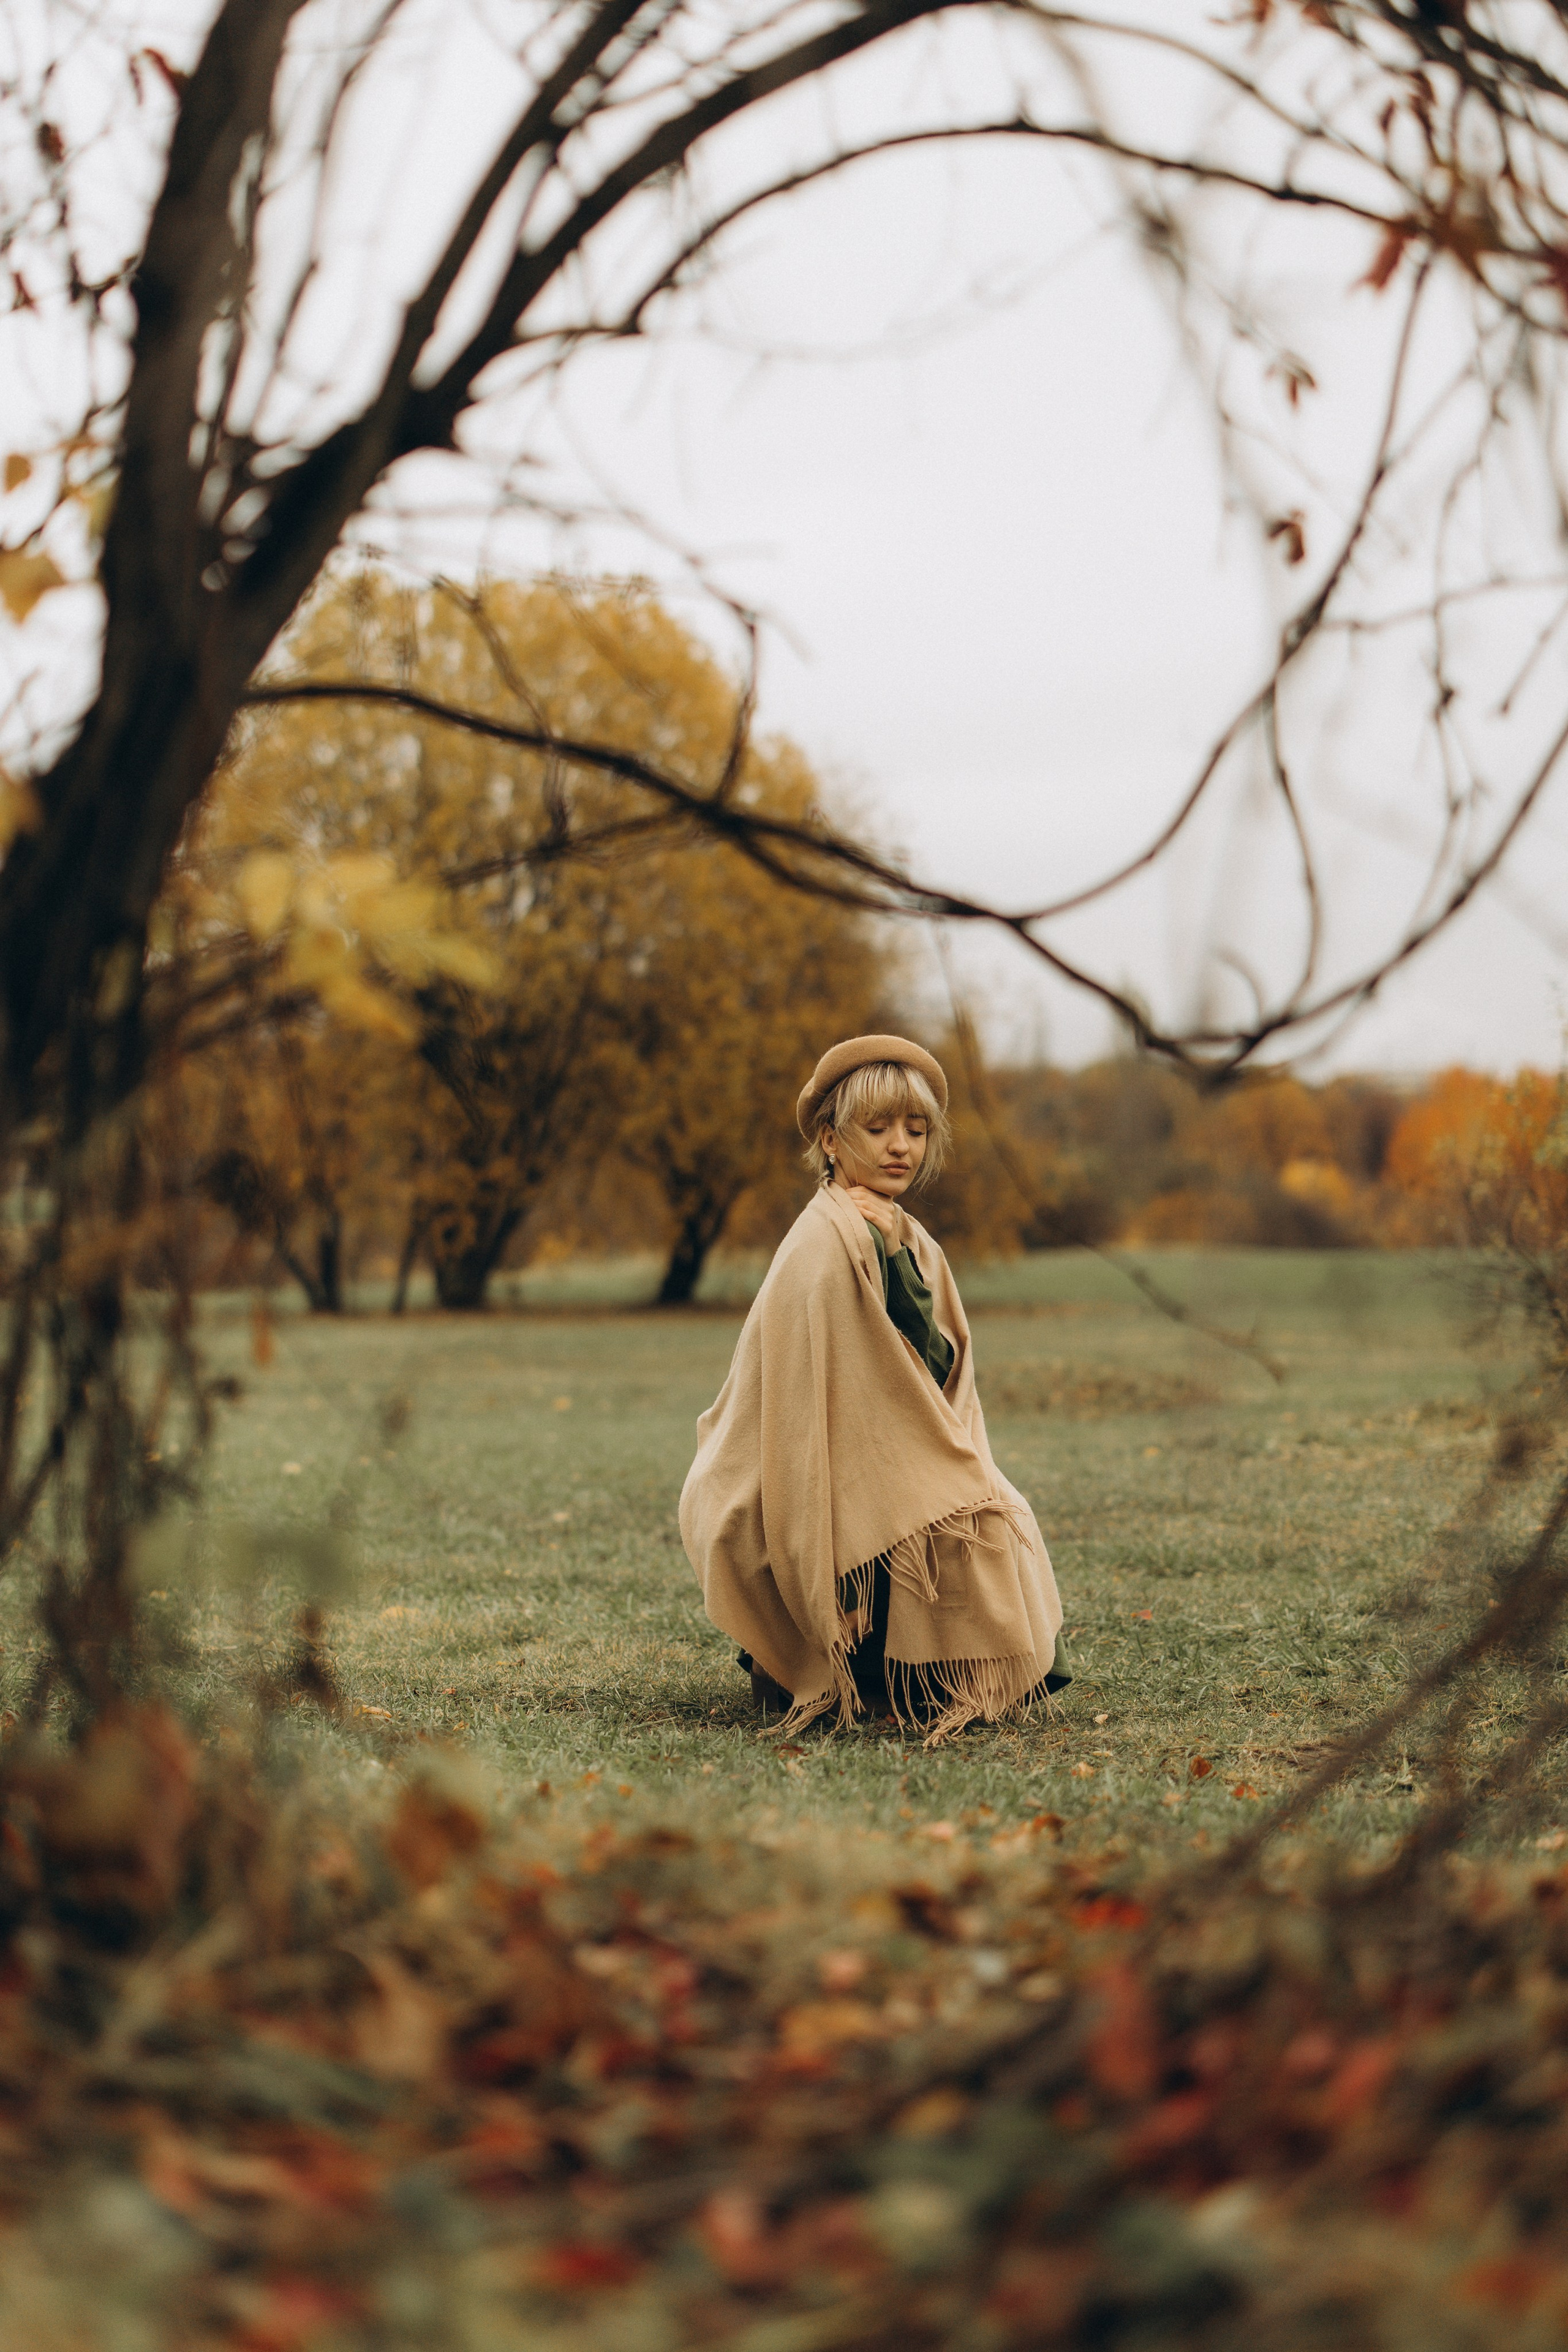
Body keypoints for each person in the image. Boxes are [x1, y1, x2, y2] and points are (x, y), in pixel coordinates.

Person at [679, 1033, 1068, 1741]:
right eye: (878, 1128)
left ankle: (953, 1670)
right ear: (830, 1140)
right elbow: (813, 1400)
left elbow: (941, 1368)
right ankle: (863, 1668)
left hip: (892, 1447)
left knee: (998, 1509)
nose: (901, 1147)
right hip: (815, 1467)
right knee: (929, 1510)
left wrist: (895, 1259)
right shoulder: (821, 1241)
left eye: (916, 1131)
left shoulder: (908, 1238)